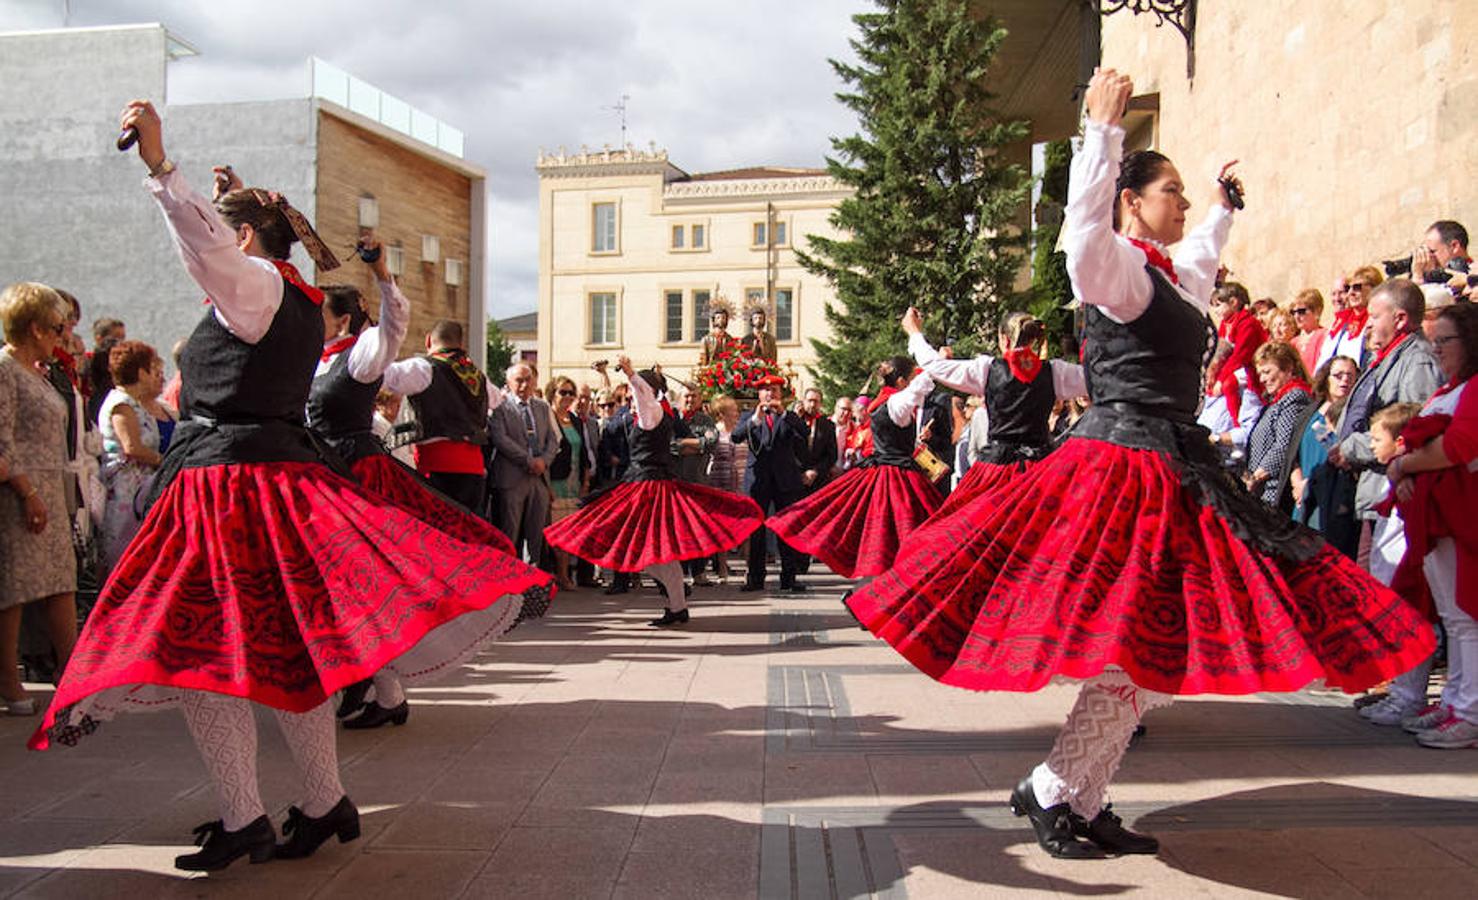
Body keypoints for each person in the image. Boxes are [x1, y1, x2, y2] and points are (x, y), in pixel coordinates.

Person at [845, 69, 1433, 861]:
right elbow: (1081, 237)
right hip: (1122, 467)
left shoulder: (1174, 278)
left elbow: (1199, 257)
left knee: (1154, 651)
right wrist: (1100, 134)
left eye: (1186, 196)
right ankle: (1058, 792)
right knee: (1136, 647)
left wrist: (1224, 207)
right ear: (1134, 200)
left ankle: (1072, 794)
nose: (1182, 205)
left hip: (1174, 466)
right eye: (1173, 193)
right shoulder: (1115, 266)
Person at [32, 102, 533, 874]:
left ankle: (248, 814)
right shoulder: (293, 294)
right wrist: (221, 193)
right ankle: (321, 800)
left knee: (206, 652)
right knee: (282, 653)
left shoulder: (255, 286)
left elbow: (205, 250)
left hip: (229, 487)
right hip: (272, 480)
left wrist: (166, 172)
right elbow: (225, 248)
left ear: (245, 239)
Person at [306, 241, 548, 730]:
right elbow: (501, 404)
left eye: (321, 315)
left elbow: (390, 364)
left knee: (417, 562)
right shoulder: (474, 372)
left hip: (390, 471)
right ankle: (375, 684)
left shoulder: (402, 363)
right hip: (463, 465)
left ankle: (376, 679)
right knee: (403, 565)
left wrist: (380, 273)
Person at [544, 357, 763, 625]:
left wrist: (632, 375)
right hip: (646, 484)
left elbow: (643, 393)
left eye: (635, 391)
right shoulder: (659, 410)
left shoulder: (650, 412)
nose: (631, 396)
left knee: (645, 549)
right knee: (653, 551)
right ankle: (677, 603)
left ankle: (677, 601)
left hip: (648, 488)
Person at [1382, 302, 1478, 748]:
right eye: (1434, 341)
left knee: (1465, 616)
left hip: (1460, 516)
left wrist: (1405, 466)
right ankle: (1455, 702)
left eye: (1446, 342)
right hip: (1437, 518)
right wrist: (1405, 468)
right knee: (1453, 616)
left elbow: (1457, 447)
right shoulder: (1450, 390)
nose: (1437, 350)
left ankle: (1469, 710)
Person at [768, 356, 941, 582]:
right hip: (898, 476)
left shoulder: (880, 401)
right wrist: (939, 361)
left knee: (879, 533)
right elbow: (922, 386)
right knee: (909, 531)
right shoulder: (898, 401)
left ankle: (874, 584)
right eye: (909, 379)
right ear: (900, 381)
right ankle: (886, 585)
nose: (912, 383)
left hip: (880, 473)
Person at [903, 307, 1086, 520]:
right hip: (1042, 468)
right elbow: (1097, 380)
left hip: (998, 468)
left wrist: (915, 333)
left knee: (973, 526)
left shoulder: (988, 369)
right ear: (1033, 339)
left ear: (1003, 338)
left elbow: (937, 366)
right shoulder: (1055, 371)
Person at [0, 283, 80, 717]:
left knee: (60, 582)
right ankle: (8, 682)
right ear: (33, 328)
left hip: (50, 488)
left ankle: (73, 673)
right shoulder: (5, 370)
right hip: (18, 490)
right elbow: (2, 438)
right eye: (55, 327)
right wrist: (27, 492)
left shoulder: (37, 371)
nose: (61, 336)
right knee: (15, 587)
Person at [1326, 279, 1442, 559]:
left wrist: (1352, 448)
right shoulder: (1388, 358)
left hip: (1391, 494)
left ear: (1400, 319)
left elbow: (1413, 425)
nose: (1367, 324)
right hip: (1373, 491)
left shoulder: (1417, 361)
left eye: (1375, 316)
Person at [383, 319, 495, 513]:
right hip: (473, 468)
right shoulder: (478, 375)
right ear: (461, 345)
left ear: (428, 341)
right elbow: (497, 400)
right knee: (467, 532)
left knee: (437, 533)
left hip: (436, 466)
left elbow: (385, 377)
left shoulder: (424, 367)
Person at [95, 340, 175, 576]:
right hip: (125, 494)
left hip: (141, 491)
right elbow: (132, 447)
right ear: (141, 372)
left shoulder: (140, 404)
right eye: (153, 369)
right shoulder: (121, 404)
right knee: (124, 553)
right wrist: (166, 461)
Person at [733, 379, 809, 592]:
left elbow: (804, 432)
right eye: (765, 391)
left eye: (773, 390)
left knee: (787, 529)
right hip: (758, 482)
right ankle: (756, 578)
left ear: (780, 394)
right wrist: (756, 419)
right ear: (759, 395)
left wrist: (785, 413)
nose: (769, 394)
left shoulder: (788, 416)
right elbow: (735, 436)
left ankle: (789, 577)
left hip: (785, 481)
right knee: (756, 531)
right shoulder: (749, 417)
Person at [487, 362, 559, 563]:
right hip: (512, 478)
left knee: (537, 534)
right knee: (510, 533)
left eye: (528, 379)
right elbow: (500, 439)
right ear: (509, 382)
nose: (525, 384)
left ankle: (534, 583)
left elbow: (553, 440)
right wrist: (528, 460)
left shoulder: (542, 407)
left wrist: (544, 461)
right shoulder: (500, 407)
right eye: (519, 380)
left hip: (539, 480)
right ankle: (509, 580)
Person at [1291, 356, 1359, 529]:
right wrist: (1297, 482)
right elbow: (1293, 455)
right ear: (1326, 378)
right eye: (1338, 375)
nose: (1345, 380)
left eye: (1350, 376)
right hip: (1302, 497)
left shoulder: (1354, 417)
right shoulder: (1310, 412)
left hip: (1329, 498)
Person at [1242, 342, 1313, 508]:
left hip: (1274, 492)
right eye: (1260, 373)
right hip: (1263, 490)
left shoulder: (1294, 398)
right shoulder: (1277, 401)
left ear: (1288, 368)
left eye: (1267, 372)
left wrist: (1256, 477)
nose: (1262, 379)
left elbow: (1284, 446)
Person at [546, 374, 591, 590]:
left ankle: (562, 574)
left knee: (570, 532)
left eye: (570, 393)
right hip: (554, 481)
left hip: (574, 482)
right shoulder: (547, 418)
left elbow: (582, 452)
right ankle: (561, 575)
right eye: (562, 392)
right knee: (556, 531)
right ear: (552, 394)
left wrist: (585, 481)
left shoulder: (574, 420)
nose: (567, 397)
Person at [706, 394, 746, 584]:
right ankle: (722, 570)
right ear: (722, 414)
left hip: (740, 481)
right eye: (733, 412)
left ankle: (748, 567)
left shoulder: (740, 431)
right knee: (720, 527)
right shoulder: (714, 432)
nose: (737, 415)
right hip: (718, 480)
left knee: (746, 525)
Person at [1316, 266, 1382, 371]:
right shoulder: (1343, 324)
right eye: (1348, 288)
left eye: (1357, 287)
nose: (1351, 293)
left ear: (1373, 290)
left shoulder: (1377, 321)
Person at [1289, 288, 1328, 375]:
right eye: (1293, 312)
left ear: (1317, 311)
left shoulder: (1324, 336)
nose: (1296, 316)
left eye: (1301, 311)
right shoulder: (1293, 342)